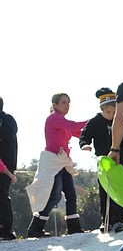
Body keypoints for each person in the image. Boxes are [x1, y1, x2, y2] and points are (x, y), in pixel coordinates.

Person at [26, 93, 88, 237]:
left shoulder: (63, 123)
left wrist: (91, 136)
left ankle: (73, 227)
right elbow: (74, 125)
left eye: (68, 103)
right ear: (55, 105)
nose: (67, 105)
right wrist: (95, 121)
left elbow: (79, 132)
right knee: (54, 196)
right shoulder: (54, 118)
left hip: (62, 161)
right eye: (64, 102)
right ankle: (35, 228)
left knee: (71, 194)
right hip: (52, 162)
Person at [80, 88, 123, 233]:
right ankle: (106, 221)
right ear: (102, 109)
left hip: (121, 163)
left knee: (120, 189)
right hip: (105, 164)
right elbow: (85, 135)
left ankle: (119, 220)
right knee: (105, 191)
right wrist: (84, 144)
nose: (112, 115)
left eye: (114, 112)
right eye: (108, 113)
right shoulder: (94, 122)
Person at [0, 96, 18, 240]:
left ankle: (7, 230)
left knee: (2, 195)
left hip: (5, 164)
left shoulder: (7, 120)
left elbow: (7, 134)